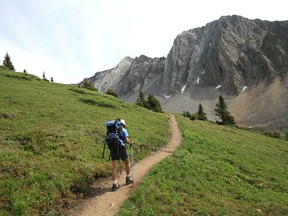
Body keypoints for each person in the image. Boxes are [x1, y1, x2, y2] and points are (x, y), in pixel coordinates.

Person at [110, 119, 133, 191]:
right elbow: (126, 140)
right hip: (121, 148)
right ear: (123, 125)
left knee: (115, 167)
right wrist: (131, 143)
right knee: (127, 162)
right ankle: (128, 178)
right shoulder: (123, 130)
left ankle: (115, 184)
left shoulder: (112, 130)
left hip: (113, 148)